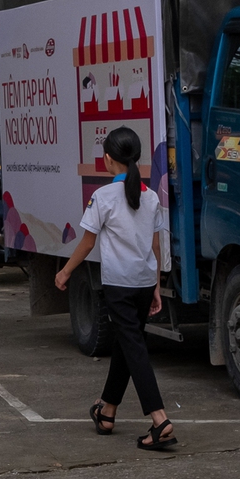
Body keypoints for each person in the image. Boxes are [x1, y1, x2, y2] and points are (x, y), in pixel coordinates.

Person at [53, 127, 175, 452]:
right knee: (125, 345)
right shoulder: (150, 197)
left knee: (134, 350)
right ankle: (107, 411)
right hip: (144, 282)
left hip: (119, 285)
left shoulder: (103, 197)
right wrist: (157, 287)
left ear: (108, 159)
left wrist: (65, 271)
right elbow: (155, 245)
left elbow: (88, 241)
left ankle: (160, 419)